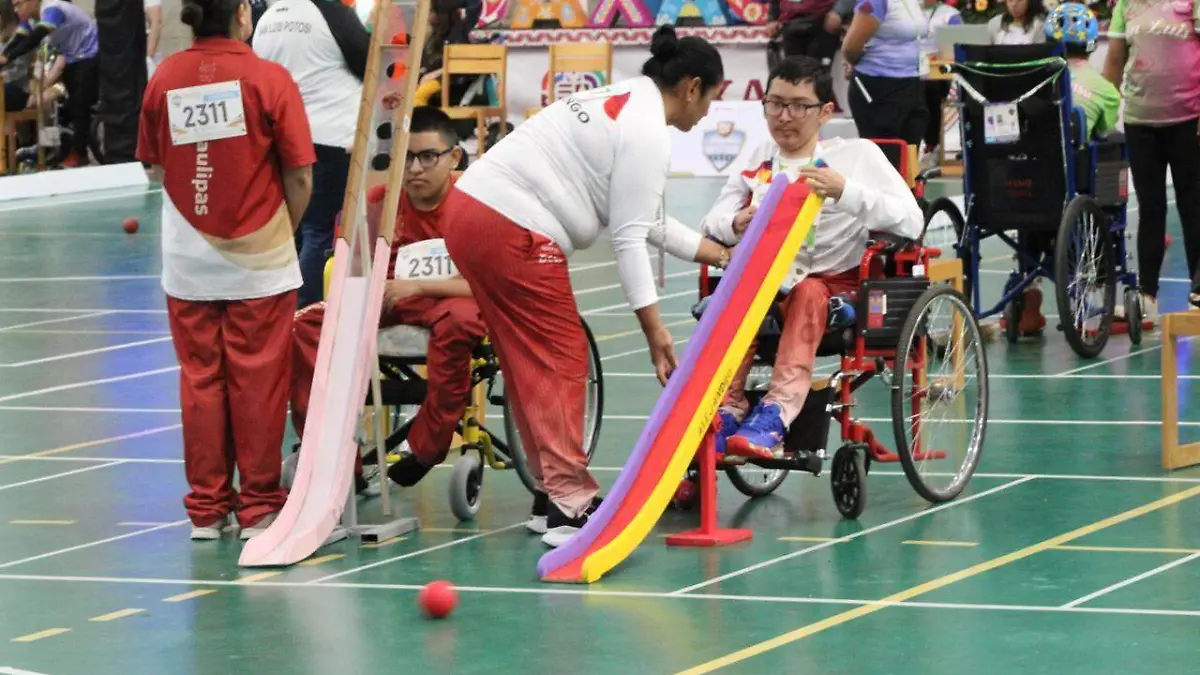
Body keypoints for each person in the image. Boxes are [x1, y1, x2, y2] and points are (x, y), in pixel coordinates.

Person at [440, 25, 732, 548]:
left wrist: (717, 253)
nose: (708, 112)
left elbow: (646, 219)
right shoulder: (646, 131)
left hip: (469, 212)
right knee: (561, 358)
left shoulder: (622, 100)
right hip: (513, 225)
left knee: (529, 362)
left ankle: (550, 496)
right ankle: (570, 505)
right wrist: (655, 330)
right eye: (710, 98)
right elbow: (628, 240)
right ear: (691, 87)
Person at [137, 0, 315, 541]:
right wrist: (279, 231)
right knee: (258, 382)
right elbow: (301, 176)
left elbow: (155, 164)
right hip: (259, 262)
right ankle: (258, 507)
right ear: (242, 13)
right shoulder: (269, 78)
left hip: (188, 261)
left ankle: (207, 512)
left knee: (201, 380)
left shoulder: (164, 77)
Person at [699, 55, 923, 458]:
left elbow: (911, 221)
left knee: (808, 292)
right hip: (768, 286)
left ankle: (777, 410)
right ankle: (727, 405)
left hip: (837, 289)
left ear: (825, 112)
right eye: (775, 103)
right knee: (739, 290)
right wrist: (736, 221)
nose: (784, 116)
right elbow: (711, 222)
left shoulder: (857, 156)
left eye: (798, 106)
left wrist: (846, 192)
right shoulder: (759, 163)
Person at [289, 106, 486, 493]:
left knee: (462, 322)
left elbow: (490, 284)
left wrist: (419, 288)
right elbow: (349, 269)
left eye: (428, 157)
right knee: (307, 324)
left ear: (454, 157)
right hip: (387, 300)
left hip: (452, 299)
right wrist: (363, 289)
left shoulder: (477, 204)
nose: (415, 168)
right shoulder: (375, 203)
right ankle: (329, 450)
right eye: (405, 157)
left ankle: (428, 448)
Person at [252, 0, 370, 309]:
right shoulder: (332, 13)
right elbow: (373, 63)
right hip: (332, 137)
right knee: (321, 232)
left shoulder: (266, 20)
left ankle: (283, 311)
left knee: (297, 232)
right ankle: (306, 314)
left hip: (281, 138)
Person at [1104, 0, 1200, 326]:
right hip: (1140, 121)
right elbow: (1115, 60)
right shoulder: (1125, 5)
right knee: (1151, 208)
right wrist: (1103, 111)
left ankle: (1199, 291)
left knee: (1193, 205)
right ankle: (1147, 296)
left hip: (1190, 119)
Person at [0, 0, 98, 167]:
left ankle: (79, 155)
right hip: (71, 56)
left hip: (88, 54)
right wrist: (5, 57)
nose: (16, 10)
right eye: (14, 7)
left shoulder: (52, 9)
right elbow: (20, 38)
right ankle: (76, 151)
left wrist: (9, 57)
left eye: (18, 5)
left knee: (79, 105)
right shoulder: (30, 17)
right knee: (74, 106)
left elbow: (35, 37)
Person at [841, 0, 930, 144]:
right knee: (884, 149)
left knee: (910, 146)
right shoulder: (875, 2)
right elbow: (850, 47)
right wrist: (854, 63)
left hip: (912, 81)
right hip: (879, 84)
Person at [1045, 3, 1118, 140]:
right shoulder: (1108, 92)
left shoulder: (1034, 79)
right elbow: (1103, 134)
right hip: (1075, 159)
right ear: (1092, 44)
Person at [920, 0, 961, 166]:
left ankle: (933, 145)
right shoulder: (908, 11)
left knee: (932, 88)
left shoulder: (950, 15)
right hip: (909, 67)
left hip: (941, 68)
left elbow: (957, 49)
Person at [766, 0, 855, 67]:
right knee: (794, 76)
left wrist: (838, 12)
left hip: (824, 22)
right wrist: (772, 17)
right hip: (791, 24)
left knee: (819, 77)